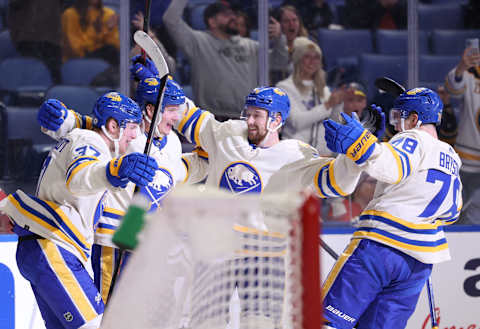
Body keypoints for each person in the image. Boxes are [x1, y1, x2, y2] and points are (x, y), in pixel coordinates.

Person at [38, 75, 208, 302]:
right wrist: (64, 120)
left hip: (152, 241)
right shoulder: (126, 136)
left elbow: (183, 169)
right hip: (116, 238)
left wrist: (212, 147)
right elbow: (94, 126)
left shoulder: (173, 143)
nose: (177, 117)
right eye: (170, 110)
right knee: (111, 314)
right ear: (150, 110)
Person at [0, 92, 158, 328]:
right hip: (53, 247)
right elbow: (80, 177)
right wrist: (112, 172)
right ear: (112, 126)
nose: (136, 135)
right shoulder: (89, 140)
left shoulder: (87, 139)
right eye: (132, 127)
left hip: (42, 249)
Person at [321, 87, 463, 328]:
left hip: (380, 248)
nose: (396, 125)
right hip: (418, 264)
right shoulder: (451, 156)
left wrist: (361, 144)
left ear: (415, 119)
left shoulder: (412, 138)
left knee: (328, 321)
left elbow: (392, 166)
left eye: (400, 117)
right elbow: (453, 211)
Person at [162, 1, 288, 119]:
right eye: (226, 15)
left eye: (233, 14)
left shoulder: (251, 46)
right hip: (212, 119)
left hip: (245, 118)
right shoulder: (197, 42)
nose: (233, 17)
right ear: (212, 21)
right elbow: (170, 19)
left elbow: (279, 62)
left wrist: (279, 39)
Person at [276, 37, 345, 155]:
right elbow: (297, 122)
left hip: (323, 156)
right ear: (298, 60)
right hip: (296, 155)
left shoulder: (323, 89)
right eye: (307, 57)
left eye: (316, 57)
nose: (312, 61)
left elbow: (333, 123)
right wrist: (328, 105)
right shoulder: (284, 87)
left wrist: (339, 104)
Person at [445, 45, 480, 225]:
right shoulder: (473, 73)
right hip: (467, 158)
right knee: (456, 211)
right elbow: (453, 86)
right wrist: (462, 67)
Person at [8, 0, 63, 83]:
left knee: (54, 84)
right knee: (31, 84)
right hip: (28, 39)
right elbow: (14, 5)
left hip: (52, 38)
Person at [61, 0, 120, 66]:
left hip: (104, 60)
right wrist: (105, 30)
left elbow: (115, 45)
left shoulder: (108, 14)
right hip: (77, 62)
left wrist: (108, 30)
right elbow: (77, 50)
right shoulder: (70, 14)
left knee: (111, 51)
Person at [270, 5, 310, 85]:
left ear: (299, 23)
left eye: (294, 20)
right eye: (286, 21)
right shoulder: (272, 46)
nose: (291, 24)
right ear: (279, 25)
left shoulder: (308, 45)